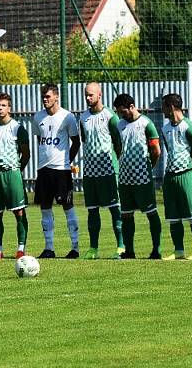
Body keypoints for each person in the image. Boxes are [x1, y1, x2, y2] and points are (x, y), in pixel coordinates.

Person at [33, 84, 81, 259]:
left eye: (48, 96)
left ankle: (75, 248)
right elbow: (41, 140)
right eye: (43, 96)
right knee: (45, 208)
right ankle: (49, 248)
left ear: (56, 97)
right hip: (43, 170)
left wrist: (68, 160)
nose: (45, 99)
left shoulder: (67, 117)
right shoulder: (38, 117)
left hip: (61, 170)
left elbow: (76, 142)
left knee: (67, 207)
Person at [78, 83, 125, 259]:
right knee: (92, 210)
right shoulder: (83, 118)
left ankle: (121, 245)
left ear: (100, 95)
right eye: (86, 95)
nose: (88, 98)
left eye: (91, 95)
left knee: (115, 209)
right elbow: (85, 140)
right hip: (90, 172)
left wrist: (118, 165)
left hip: (108, 170)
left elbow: (118, 143)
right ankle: (93, 248)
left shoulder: (110, 116)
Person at [0, 92, 30, 259]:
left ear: (9, 108)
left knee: (19, 212)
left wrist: (17, 170)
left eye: (3, 105)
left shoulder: (17, 128)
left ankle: (21, 248)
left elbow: (26, 154)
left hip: (12, 174)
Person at [113, 93, 163, 259]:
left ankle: (156, 250)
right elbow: (118, 147)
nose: (122, 115)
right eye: (119, 112)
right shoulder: (120, 125)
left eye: (124, 111)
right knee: (126, 214)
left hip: (143, 178)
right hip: (125, 178)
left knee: (151, 213)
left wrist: (149, 167)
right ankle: (129, 251)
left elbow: (156, 151)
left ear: (132, 107)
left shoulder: (146, 124)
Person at [160, 93, 192, 260]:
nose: (162, 109)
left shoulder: (189, 127)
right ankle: (178, 250)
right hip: (170, 177)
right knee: (173, 216)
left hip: (187, 174)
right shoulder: (164, 129)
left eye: (163, 106)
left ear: (171, 107)